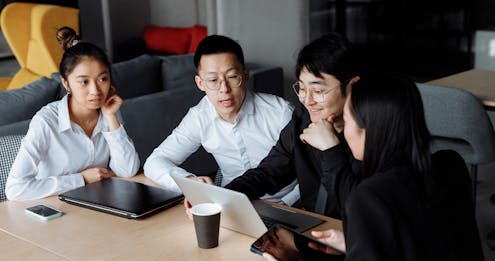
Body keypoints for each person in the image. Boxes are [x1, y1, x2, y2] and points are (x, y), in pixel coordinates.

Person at [263, 72, 495, 261]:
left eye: (347, 122)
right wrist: (355, 242)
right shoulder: (450, 165)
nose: (344, 131)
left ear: (369, 131)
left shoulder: (372, 196)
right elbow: (424, 246)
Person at [143, 35, 299, 205]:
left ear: (245, 76)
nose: (224, 89)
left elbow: (309, 171)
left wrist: (286, 205)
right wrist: (189, 182)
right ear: (200, 83)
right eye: (213, 80)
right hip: (229, 204)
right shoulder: (199, 117)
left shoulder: (281, 113)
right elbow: (154, 162)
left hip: (286, 203)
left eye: (232, 77)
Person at [225, 32, 360, 219]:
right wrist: (224, 197)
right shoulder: (302, 119)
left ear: (352, 86)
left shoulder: (370, 132)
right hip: (310, 227)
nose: (307, 100)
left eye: (318, 90)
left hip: (348, 237)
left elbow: (357, 209)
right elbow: (269, 172)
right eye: (302, 89)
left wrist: (331, 149)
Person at [6, 27, 139, 201]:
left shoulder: (108, 111)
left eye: (102, 79)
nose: (95, 91)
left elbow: (127, 170)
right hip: (53, 211)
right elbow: (15, 189)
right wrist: (81, 179)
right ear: (65, 82)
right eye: (84, 81)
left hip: (97, 204)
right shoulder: (46, 121)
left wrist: (111, 118)